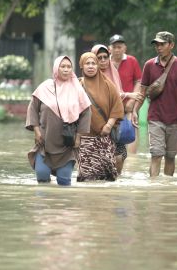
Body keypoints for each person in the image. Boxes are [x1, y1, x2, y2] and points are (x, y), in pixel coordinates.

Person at [131, 31, 177, 177]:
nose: (158, 47)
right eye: (156, 44)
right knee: (156, 154)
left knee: (170, 157)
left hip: (176, 118)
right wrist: (135, 110)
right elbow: (142, 91)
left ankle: (167, 189)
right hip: (155, 117)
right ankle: (154, 189)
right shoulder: (149, 65)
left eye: (162, 44)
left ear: (171, 45)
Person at [26, 55, 92, 186]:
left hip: (67, 145)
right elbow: (33, 107)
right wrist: (36, 130)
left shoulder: (77, 89)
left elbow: (86, 112)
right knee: (42, 178)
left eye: (69, 67)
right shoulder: (45, 87)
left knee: (64, 181)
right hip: (44, 142)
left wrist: (78, 137)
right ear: (56, 68)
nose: (66, 69)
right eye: (63, 66)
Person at [77, 52, 124, 182]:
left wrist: (109, 125)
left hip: (105, 137)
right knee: (87, 177)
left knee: (107, 175)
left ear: (98, 66)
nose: (91, 66)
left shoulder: (109, 85)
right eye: (87, 63)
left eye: (93, 63)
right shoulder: (77, 86)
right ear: (82, 65)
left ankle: (105, 202)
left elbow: (117, 107)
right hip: (84, 139)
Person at [91, 43, 130, 174]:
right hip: (96, 127)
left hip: (115, 124)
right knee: (98, 163)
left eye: (105, 57)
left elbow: (118, 97)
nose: (103, 61)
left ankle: (115, 185)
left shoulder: (114, 73)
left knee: (118, 158)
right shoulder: (88, 78)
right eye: (99, 58)